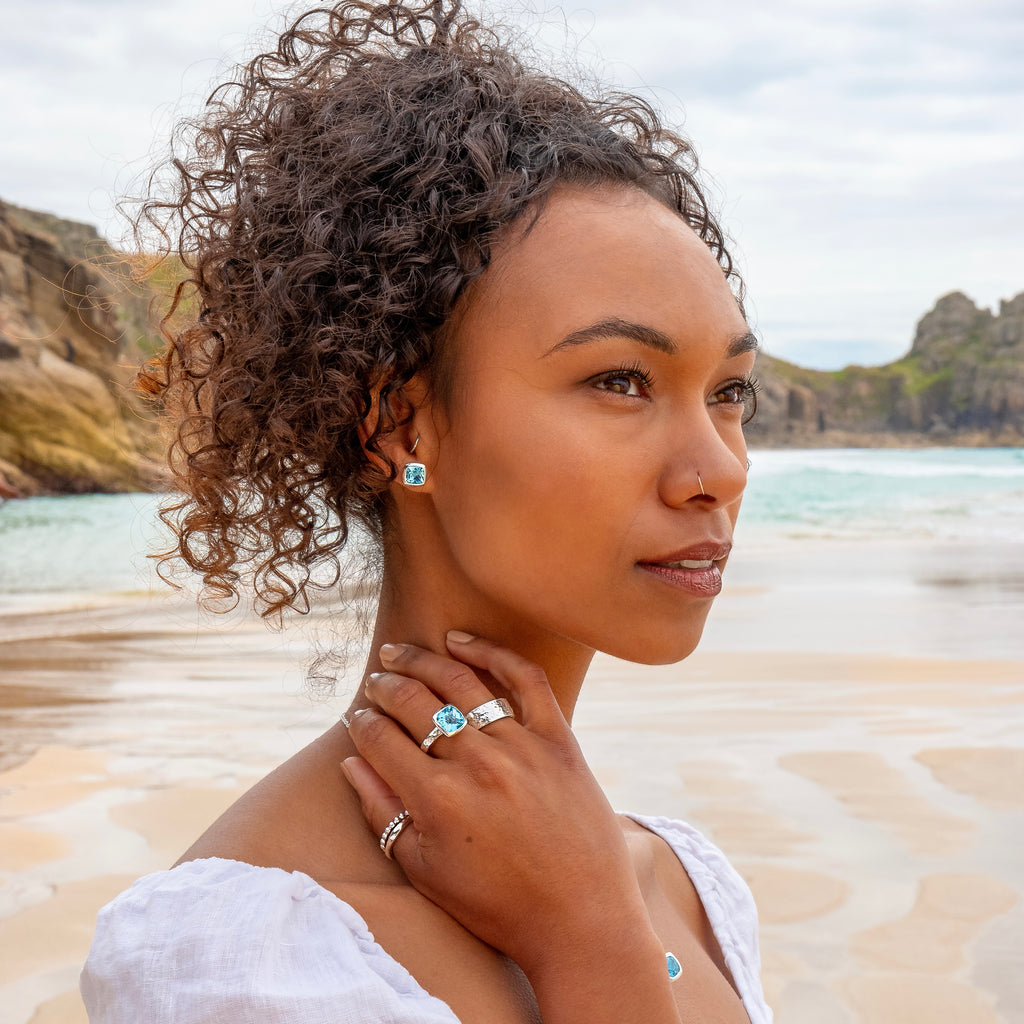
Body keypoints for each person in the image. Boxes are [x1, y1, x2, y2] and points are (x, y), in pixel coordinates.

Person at [81, 2, 771, 1021]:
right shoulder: (240, 956)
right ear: (402, 428)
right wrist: (587, 940)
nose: (716, 468)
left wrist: (594, 918)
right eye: (620, 380)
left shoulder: (683, 882)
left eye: (727, 392)